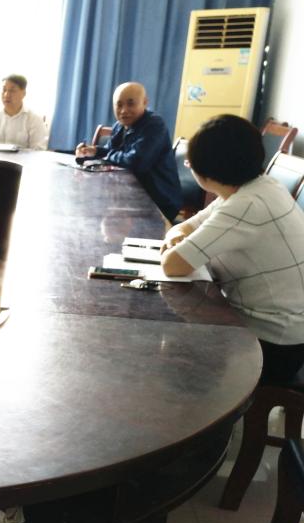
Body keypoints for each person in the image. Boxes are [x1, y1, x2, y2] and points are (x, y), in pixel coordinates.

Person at [161, 114, 304, 383]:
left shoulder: (246, 205)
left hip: (274, 343)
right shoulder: (254, 187)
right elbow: (185, 227)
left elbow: (173, 265)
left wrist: (176, 244)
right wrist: (176, 238)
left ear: (205, 172)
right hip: (277, 329)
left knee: (170, 354)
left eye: (190, 163)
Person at [75, 82, 182, 223]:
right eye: (119, 105)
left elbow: (137, 162)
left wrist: (108, 154)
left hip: (158, 201)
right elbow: (110, 151)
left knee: (97, 215)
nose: (124, 110)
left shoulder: (155, 125)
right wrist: (92, 151)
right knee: (86, 208)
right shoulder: (119, 126)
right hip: (129, 195)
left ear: (145, 102)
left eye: (130, 104)